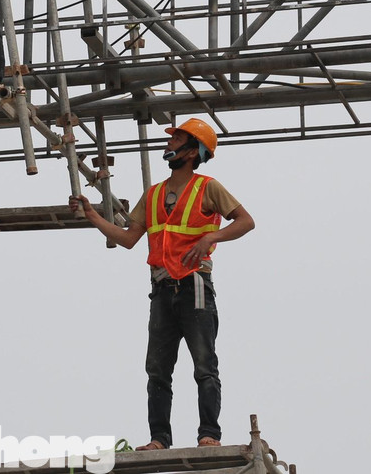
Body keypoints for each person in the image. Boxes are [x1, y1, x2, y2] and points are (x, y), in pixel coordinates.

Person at [70, 118, 255, 451]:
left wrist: (212, 235)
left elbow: (246, 221)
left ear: (193, 151)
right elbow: (129, 239)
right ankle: (159, 439)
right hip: (161, 288)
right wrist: (93, 217)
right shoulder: (154, 194)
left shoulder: (208, 187)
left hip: (194, 283)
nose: (169, 144)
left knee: (204, 363)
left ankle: (208, 434)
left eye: (177, 139)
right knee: (157, 369)